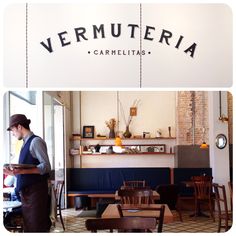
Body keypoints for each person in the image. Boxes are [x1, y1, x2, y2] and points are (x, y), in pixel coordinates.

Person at [4, 114, 52, 232]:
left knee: (37, 227)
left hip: (36, 194)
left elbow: (46, 166)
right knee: (30, 227)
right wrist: (13, 173)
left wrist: (22, 171)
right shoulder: (25, 143)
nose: (13, 133)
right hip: (28, 194)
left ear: (19, 127)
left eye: (13, 130)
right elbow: (29, 173)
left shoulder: (36, 141)